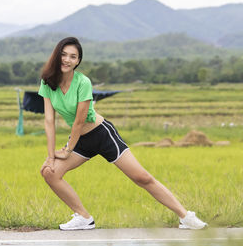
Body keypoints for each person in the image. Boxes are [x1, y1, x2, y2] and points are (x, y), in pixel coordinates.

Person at [38, 37, 207, 231]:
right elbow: (49, 121)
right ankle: (84, 218)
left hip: (102, 134)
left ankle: (185, 216)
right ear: (56, 55)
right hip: (80, 141)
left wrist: (68, 150)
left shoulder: (83, 82)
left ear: (78, 61)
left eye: (73, 57)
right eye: (64, 54)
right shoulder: (47, 82)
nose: (67, 60)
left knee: (141, 178)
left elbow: (79, 121)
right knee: (49, 172)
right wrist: (51, 156)